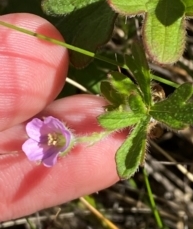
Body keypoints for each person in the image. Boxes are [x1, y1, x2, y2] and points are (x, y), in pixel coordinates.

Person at [0, 13, 127, 222]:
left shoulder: (50, 134)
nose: (53, 139)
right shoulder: (50, 146)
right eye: (55, 139)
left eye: (54, 138)